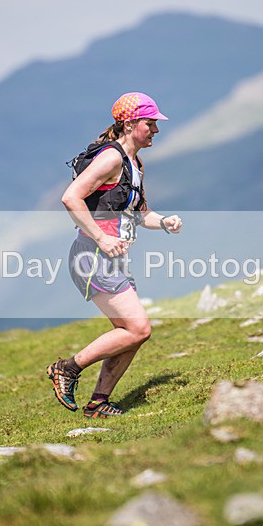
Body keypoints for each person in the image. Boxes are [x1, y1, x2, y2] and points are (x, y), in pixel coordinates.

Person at [46, 92, 182, 418]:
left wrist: (163, 222)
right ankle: (67, 369)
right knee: (139, 329)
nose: (156, 130)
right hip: (92, 255)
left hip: (113, 259)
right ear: (131, 123)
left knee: (130, 335)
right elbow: (71, 198)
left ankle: (98, 404)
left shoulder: (135, 165)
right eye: (151, 124)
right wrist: (101, 239)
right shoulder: (111, 159)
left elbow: (140, 214)